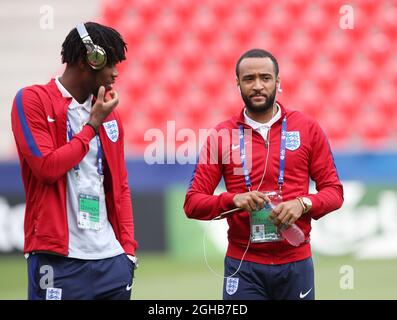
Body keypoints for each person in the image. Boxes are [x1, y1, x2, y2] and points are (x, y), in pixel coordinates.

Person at [184, 49, 344, 300]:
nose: (257, 85)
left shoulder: (307, 128)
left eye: (265, 78)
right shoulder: (221, 136)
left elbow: (334, 192)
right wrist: (233, 200)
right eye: (249, 79)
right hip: (243, 265)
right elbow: (192, 203)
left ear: (278, 83)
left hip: (296, 263)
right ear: (237, 84)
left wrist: (303, 203)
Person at [11, 22, 138, 300]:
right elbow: (46, 168)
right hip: (58, 260)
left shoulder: (109, 115)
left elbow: (120, 187)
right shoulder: (32, 100)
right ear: (89, 60)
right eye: (111, 64)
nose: (116, 73)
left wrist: (127, 251)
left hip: (111, 260)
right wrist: (91, 126)